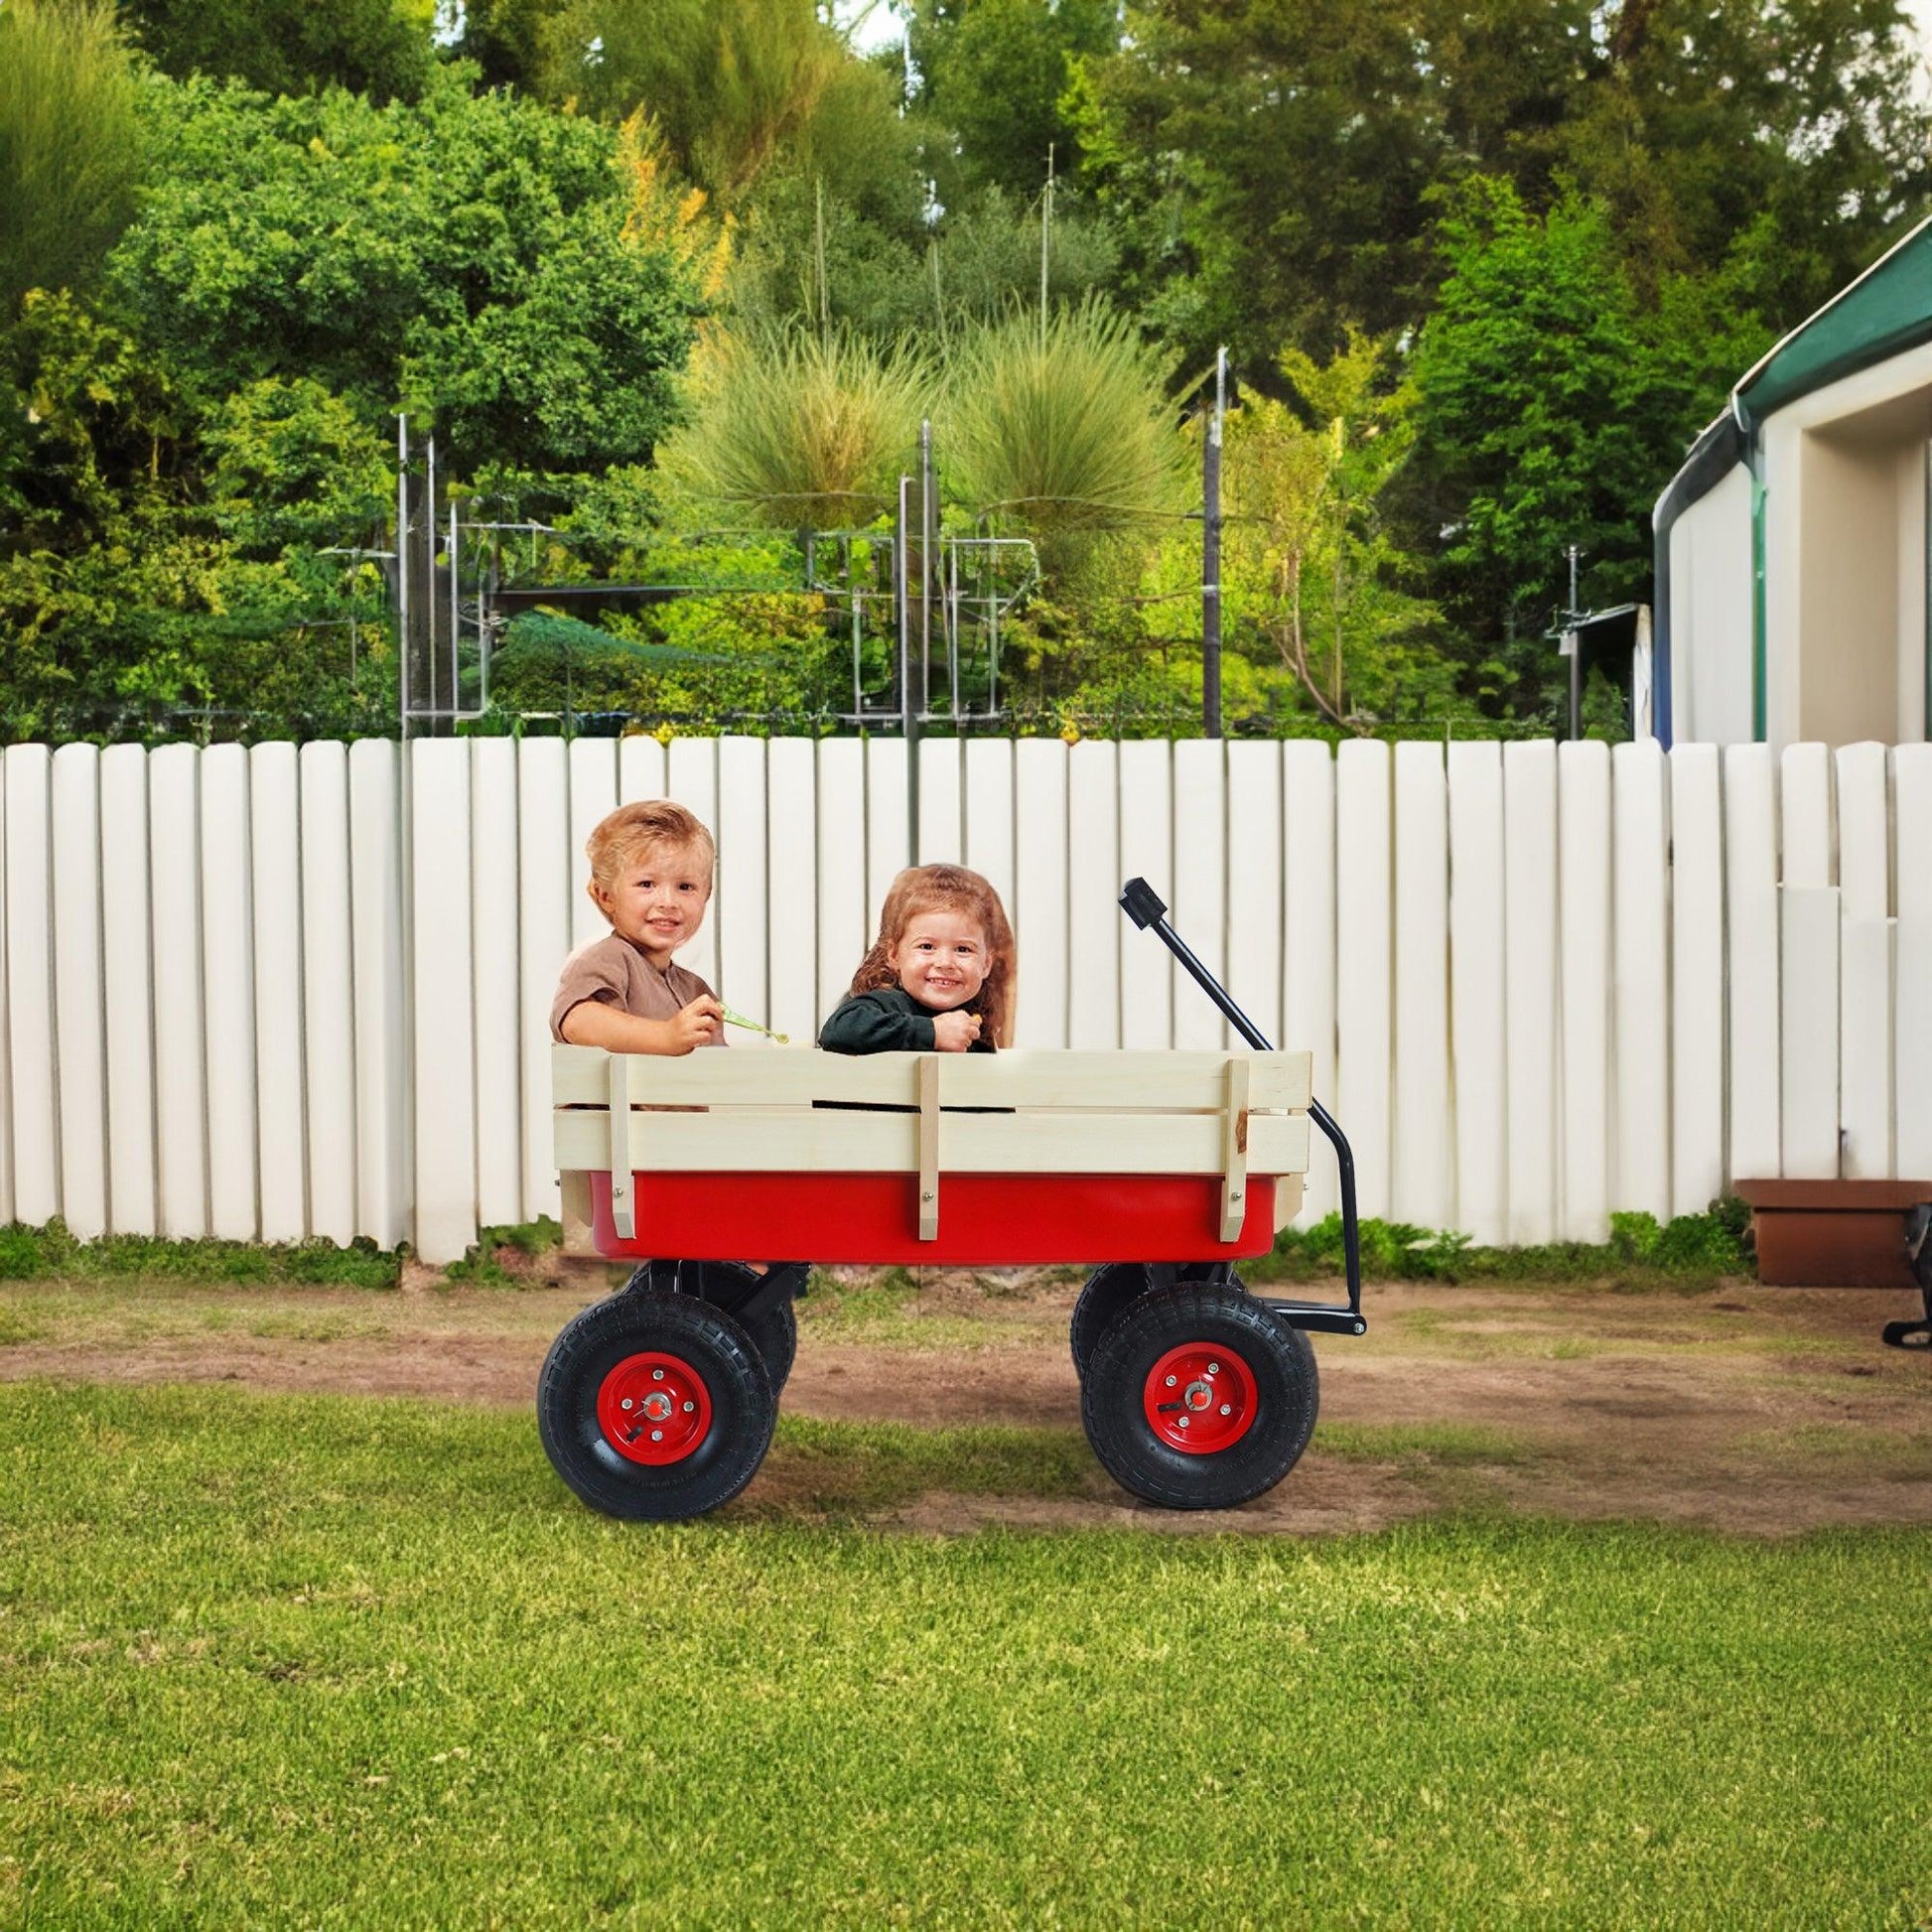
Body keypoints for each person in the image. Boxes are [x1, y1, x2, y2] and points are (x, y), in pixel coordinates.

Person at [551, 799, 725, 1052]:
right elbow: (577, 1021)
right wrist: (667, 1036)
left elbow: (716, 1070)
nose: (668, 902)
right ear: (606, 896)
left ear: (706, 895)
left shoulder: (695, 990)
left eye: (685, 887)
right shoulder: (608, 959)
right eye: (646, 884)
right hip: (620, 1093)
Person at [819, 864, 1015, 1054]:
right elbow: (837, 1031)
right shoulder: (887, 1004)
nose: (945, 962)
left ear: (986, 964)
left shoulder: (977, 1025)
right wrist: (933, 1032)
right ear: (895, 956)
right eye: (927, 947)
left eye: (963, 949)